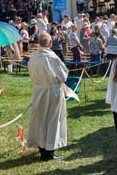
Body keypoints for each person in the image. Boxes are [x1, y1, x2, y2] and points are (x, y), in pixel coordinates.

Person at [27, 33, 68, 161]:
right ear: (50, 43)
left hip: (39, 91)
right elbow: (63, 76)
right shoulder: (53, 58)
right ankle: (49, 151)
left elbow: (30, 73)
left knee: (40, 119)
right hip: (53, 91)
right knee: (53, 120)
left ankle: (42, 148)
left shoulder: (33, 57)